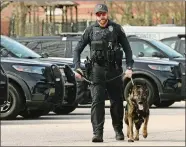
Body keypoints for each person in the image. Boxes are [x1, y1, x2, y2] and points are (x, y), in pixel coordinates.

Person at [73, 3, 134, 142]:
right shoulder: (90, 30)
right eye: (98, 14)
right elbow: (77, 50)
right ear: (96, 16)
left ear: (107, 14)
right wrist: (77, 67)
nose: (101, 17)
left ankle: (118, 130)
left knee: (117, 102)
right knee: (97, 102)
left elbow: (128, 49)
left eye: (103, 14)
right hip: (97, 71)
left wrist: (129, 67)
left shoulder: (116, 29)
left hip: (114, 71)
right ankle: (97, 133)